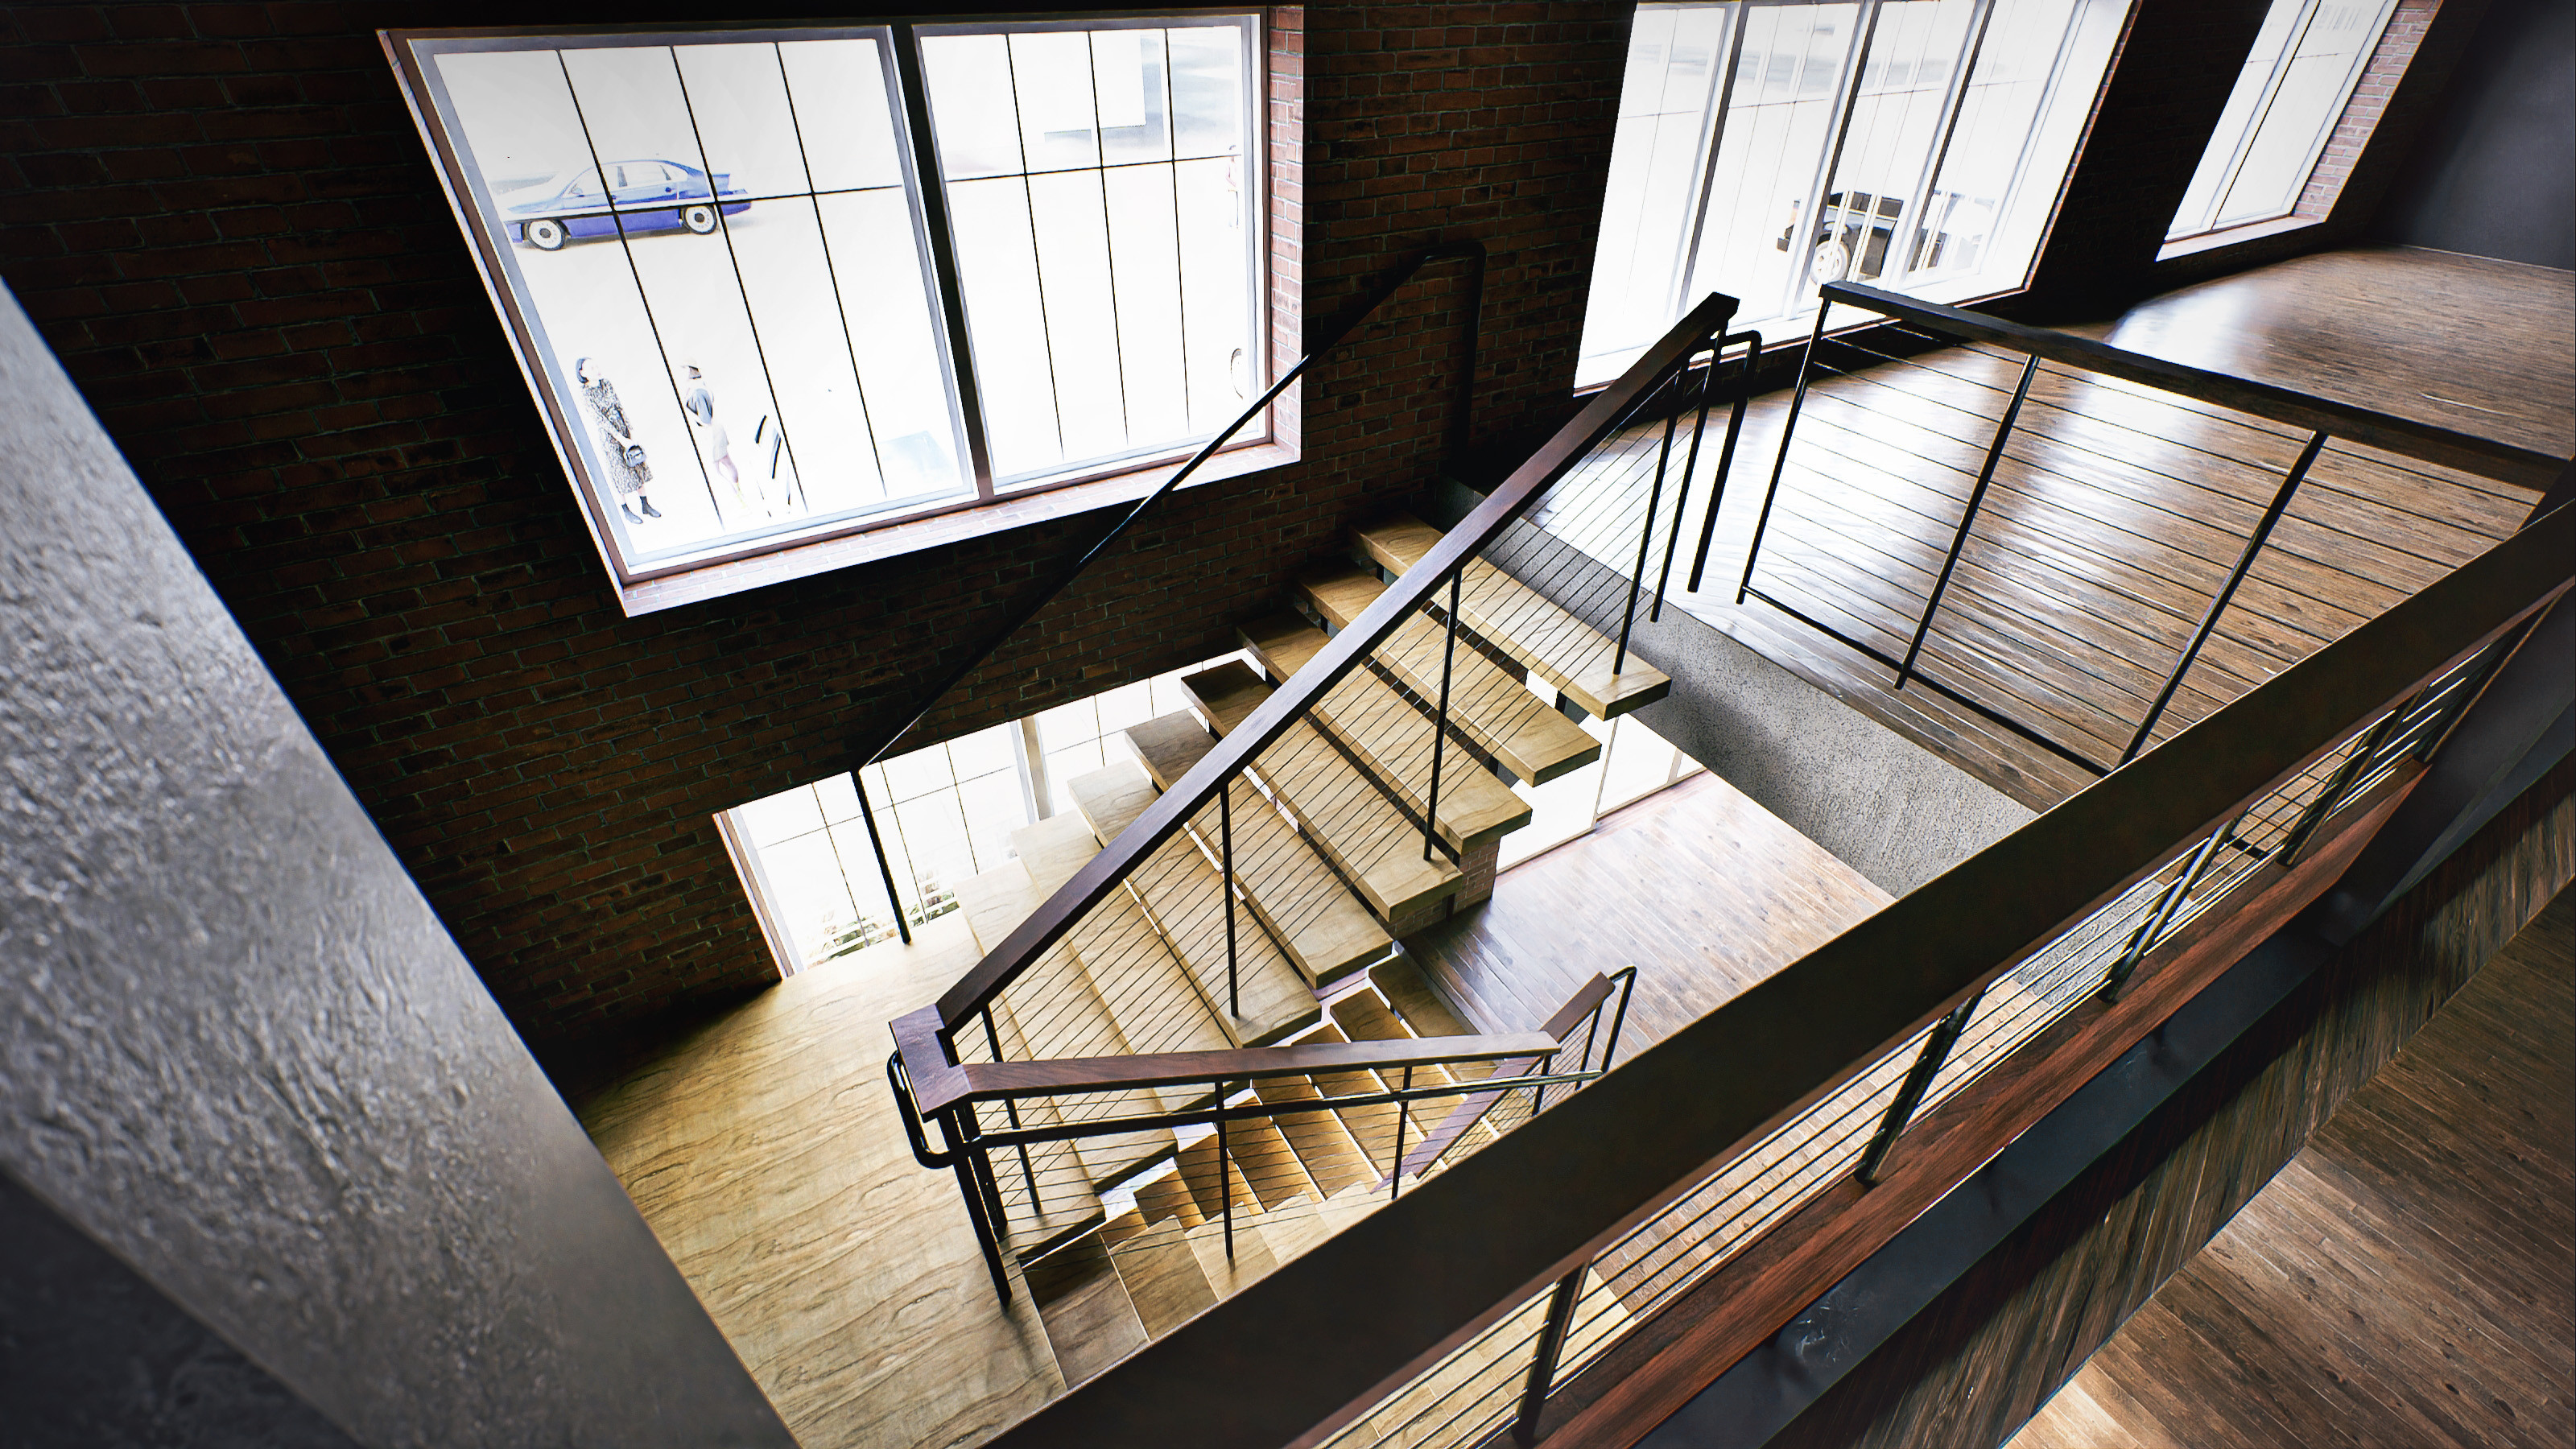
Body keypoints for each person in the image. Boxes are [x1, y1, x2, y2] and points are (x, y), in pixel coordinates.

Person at [574, 357, 658, 526]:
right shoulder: (585, 392)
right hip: (609, 436)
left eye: (596, 365)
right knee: (619, 471)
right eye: (591, 368)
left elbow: (619, 406)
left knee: (637, 464)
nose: (596, 369)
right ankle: (626, 510)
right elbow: (600, 420)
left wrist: (630, 432)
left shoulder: (606, 383)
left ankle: (645, 504)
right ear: (582, 373)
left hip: (623, 428)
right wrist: (620, 439)